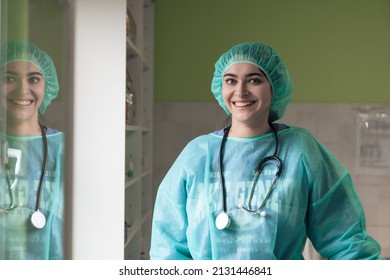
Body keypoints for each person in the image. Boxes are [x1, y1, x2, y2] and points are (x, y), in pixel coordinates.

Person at [149, 42, 383, 260]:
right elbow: (168, 250)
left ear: (274, 87)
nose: (240, 92)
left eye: (254, 80)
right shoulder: (197, 155)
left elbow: (344, 240)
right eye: (231, 81)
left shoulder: (300, 151)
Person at [0, 40, 64, 259]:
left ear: (46, 86)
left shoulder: (66, 149)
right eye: (9, 78)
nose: (22, 90)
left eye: (34, 79)